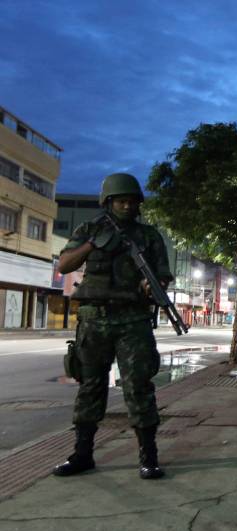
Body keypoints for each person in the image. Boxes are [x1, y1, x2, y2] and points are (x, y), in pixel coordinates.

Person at [53, 173, 173, 480]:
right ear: (108, 202)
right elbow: (64, 265)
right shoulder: (89, 229)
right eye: (121, 201)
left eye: (132, 202)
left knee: (139, 387)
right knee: (90, 386)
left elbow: (161, 274)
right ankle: (82, 454)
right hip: (94, 319)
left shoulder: (148, 236)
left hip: (133, 319)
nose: (127, 206)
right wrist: (92, 244)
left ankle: (149, 456)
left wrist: (152, 284)